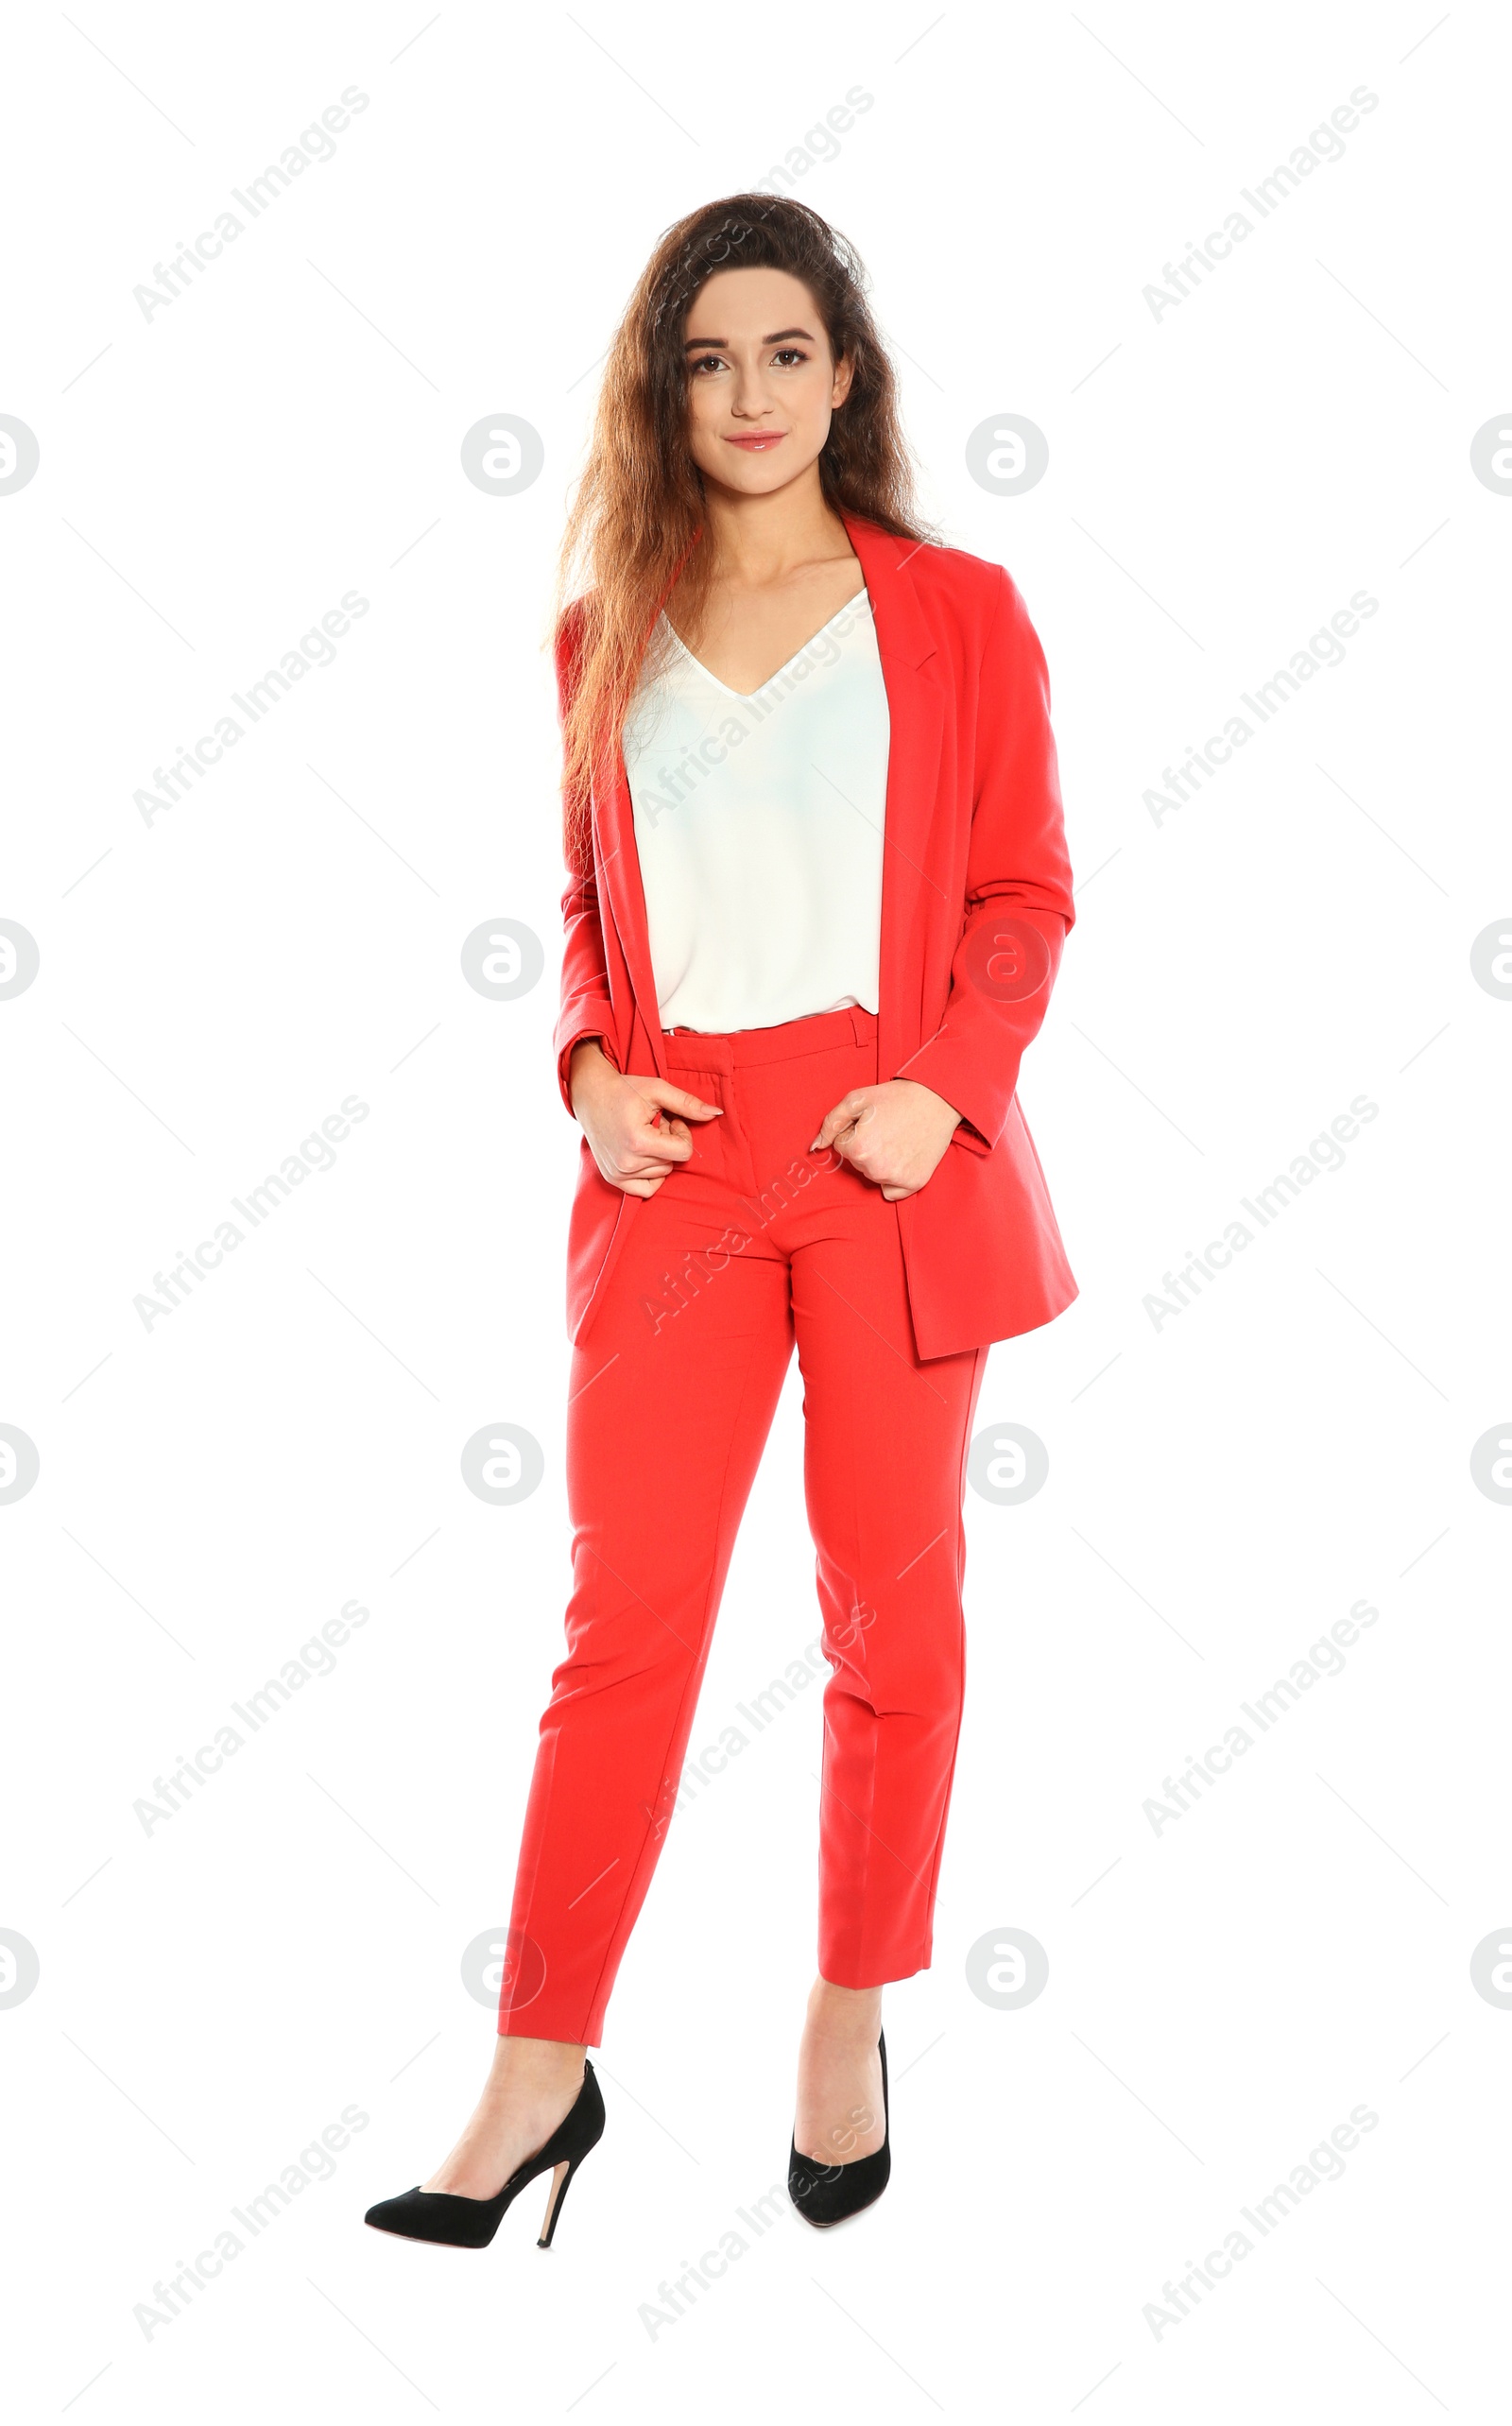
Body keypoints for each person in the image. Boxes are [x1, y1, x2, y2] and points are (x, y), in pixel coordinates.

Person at [366, 191, 1076, 2252]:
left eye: (785, 353)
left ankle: (845, 2013)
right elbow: (591, 915)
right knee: (622, 1635)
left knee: (888, 1614)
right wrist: (585, 1071)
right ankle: (538, 2062)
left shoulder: (955, 610)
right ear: (658, 392)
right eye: (705, 359)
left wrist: (934, 1091)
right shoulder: (602, 631)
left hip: (883, 1151)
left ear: (843, 376)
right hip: (672, 1168)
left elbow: (1020, 899)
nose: (747, 394)